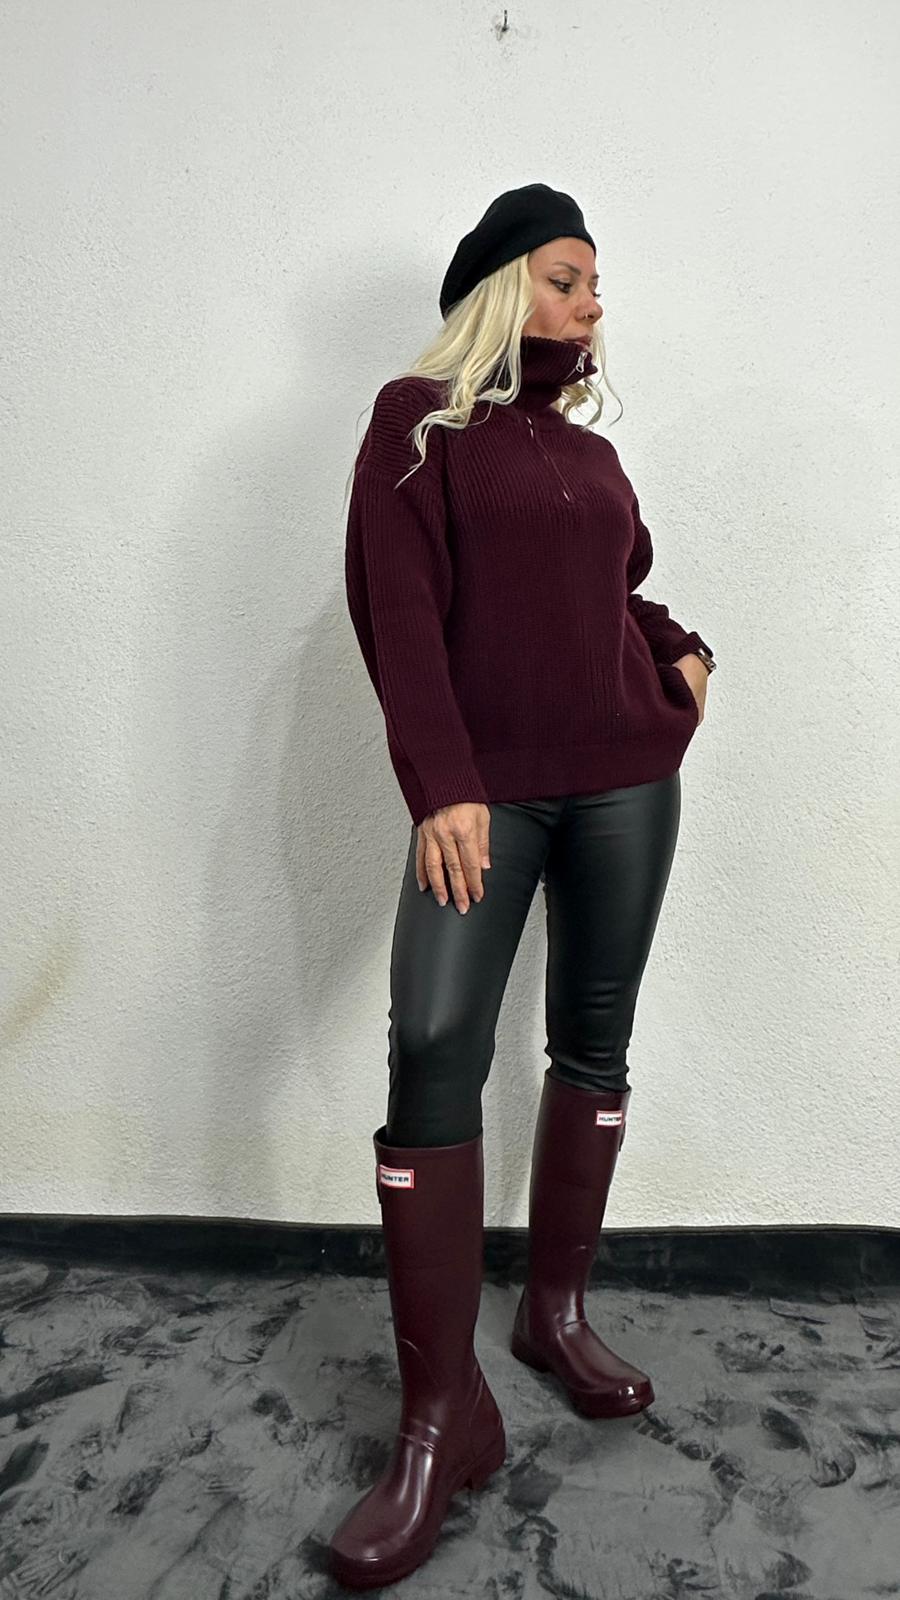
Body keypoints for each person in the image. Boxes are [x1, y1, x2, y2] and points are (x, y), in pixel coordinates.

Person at [329, 183, 717, 1589]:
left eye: (597, 284)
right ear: (504, 287)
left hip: (624, 780)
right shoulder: (417, 422)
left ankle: (555, 1316)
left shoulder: (586, 452)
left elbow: (613, 593)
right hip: (484, 792)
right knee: (434, 1040)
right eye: (567, 278)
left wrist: (681, 651)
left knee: (592, 1040)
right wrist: (442, 782)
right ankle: (445, 1416)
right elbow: (398, 612)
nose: (592, 303)